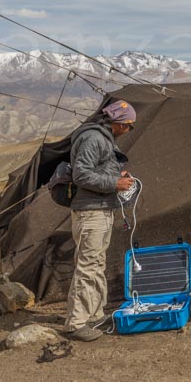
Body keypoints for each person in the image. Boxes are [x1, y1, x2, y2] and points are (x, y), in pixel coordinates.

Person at [64, 100, 136, 341]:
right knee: (87, 265)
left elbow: (94, 170)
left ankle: (94, 314)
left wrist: (117, 175)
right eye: (128, 126)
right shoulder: (94, 138)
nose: (128, 130)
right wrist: (114, 183)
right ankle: (76, 322)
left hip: (101, 208)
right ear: (118, 123)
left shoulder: (103, 139)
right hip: (91, 211)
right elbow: (81, 174)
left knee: (96, 263)